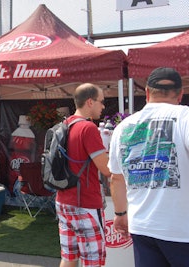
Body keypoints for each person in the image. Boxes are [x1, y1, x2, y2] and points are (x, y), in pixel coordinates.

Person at [108, 67, 189, 267]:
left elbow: (116, 178)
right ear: (180, 93)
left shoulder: (123, 127)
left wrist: (119, 214)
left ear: (146, 93)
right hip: (181, 229)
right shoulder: (185, 117)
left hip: (142, 226)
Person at [56, 83, 111, 267]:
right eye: (101, 101)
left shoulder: (65, 124)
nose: (103, 106)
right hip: (85, 203)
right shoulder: (88, 128)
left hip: (63, 200)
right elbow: (106, 169)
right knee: (92, 261)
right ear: (90, 102)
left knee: (69, 257)